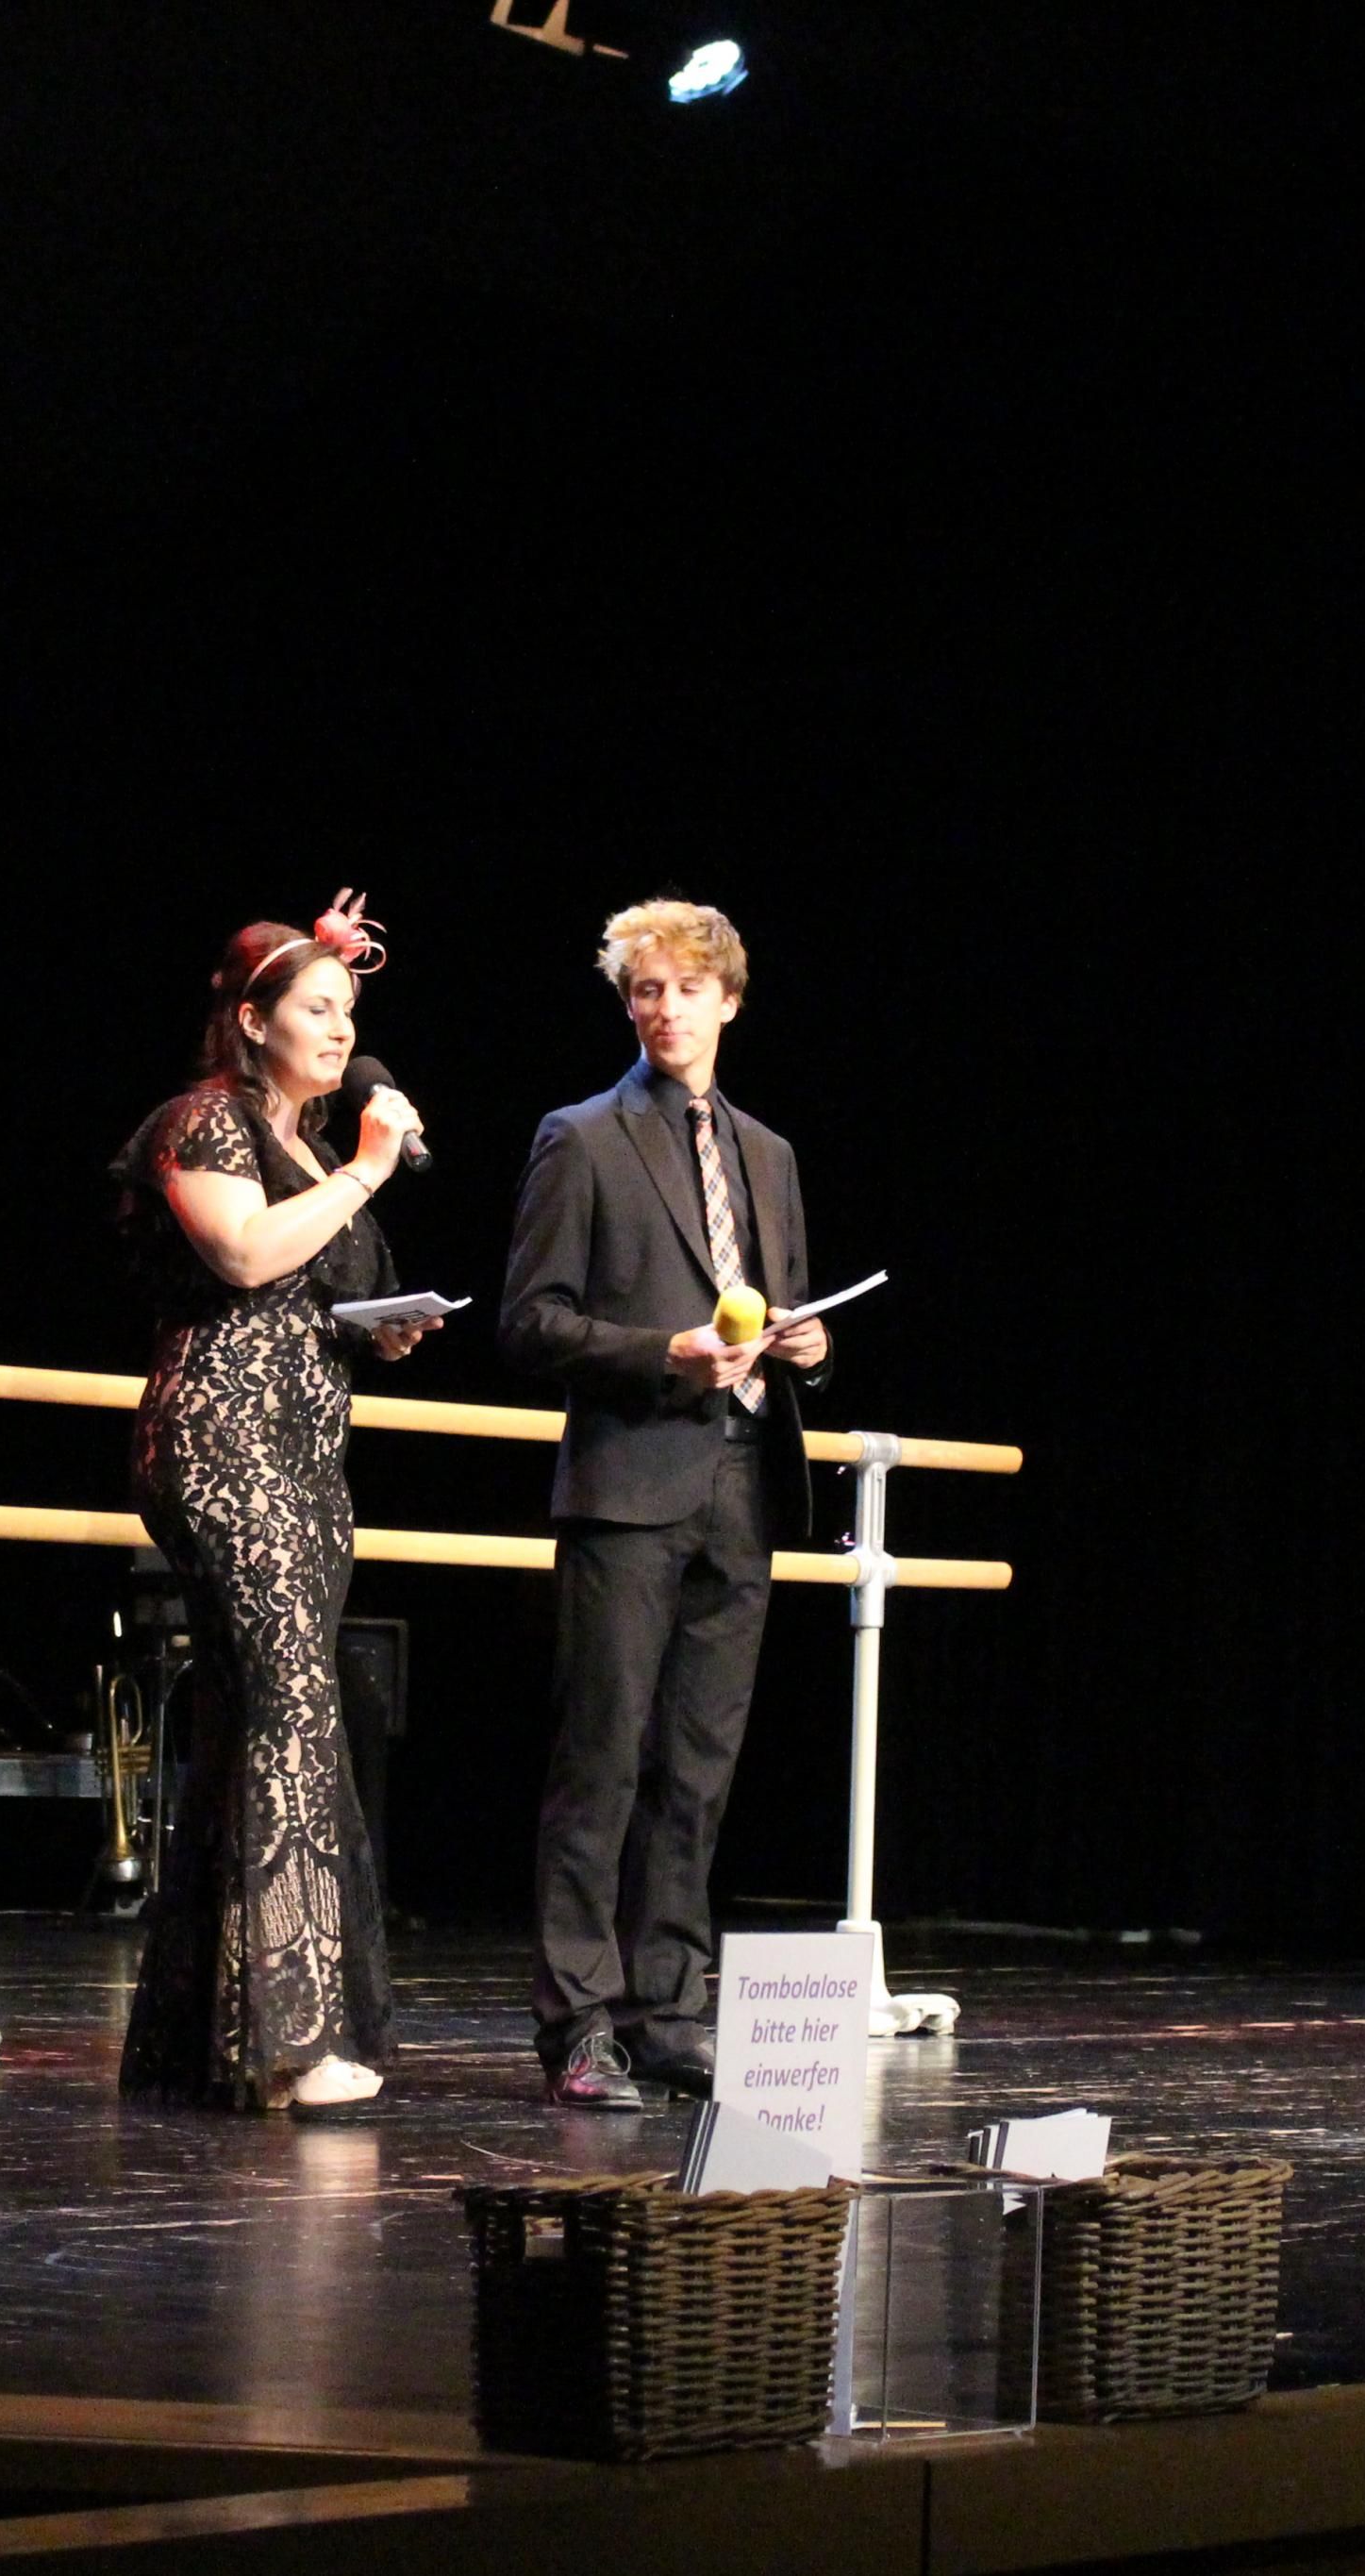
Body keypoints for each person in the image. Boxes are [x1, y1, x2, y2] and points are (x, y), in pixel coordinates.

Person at [499, 897, 833, 2109]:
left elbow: (780, 1307)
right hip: (630, 1487)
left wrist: (806, 1352)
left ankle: (668, 2008)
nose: (664, 1009)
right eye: (645, 990)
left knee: (698, 1768)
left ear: (728, 1001)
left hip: (742, 1484)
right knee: (602, 1760)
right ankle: (580, 2021)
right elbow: (530, 1324)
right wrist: (665, 1355)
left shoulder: (769, 1154)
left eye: (687, 989)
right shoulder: (582, 1137)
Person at [109, 894, 438, 2114]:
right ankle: (296, 2042)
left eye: (350, 1010)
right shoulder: (203, 1121)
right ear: (253, 1023)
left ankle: (194, 2041)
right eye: (317, 1007)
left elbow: (319, 1292)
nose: (343, 1029)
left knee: (258, 1715)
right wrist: (366, 1168)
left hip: (308, 1454)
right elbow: (244, 1255)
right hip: (221, 1441)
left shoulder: (313, 1153)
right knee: (295, 1706)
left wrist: (384, 1327)